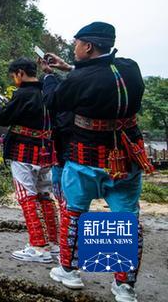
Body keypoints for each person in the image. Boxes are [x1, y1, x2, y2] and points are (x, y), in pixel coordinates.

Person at [40, 22, 153, 302]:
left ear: (88, 46)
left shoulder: (80, 80)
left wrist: (50, 77)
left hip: (86, 158)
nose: (74, 47)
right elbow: (101, 73)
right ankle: (124, 287)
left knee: (75, 212)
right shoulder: (130, 67)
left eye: (77, 43)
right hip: (126, 158)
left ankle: (70, 271)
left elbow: (55, 101)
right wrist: (70, 67)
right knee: (124, 218)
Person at [0, 58, 58, 263]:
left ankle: (38, 246)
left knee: (26, 196)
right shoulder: (49, 91)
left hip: (23, 153)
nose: (14, 80)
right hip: (46, 152)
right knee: (44, 195)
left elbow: (1, 118)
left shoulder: (23, 94)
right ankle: (53, 244)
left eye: (14, 76)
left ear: (20, 73)